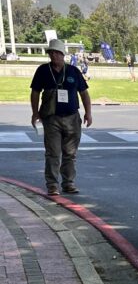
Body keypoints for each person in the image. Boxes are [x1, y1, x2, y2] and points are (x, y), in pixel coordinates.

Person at [30, 39, 92, 196]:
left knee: (70, 153)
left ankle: (68, 182)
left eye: (56, 53)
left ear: (62, 54)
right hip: (51, 119)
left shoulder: (73, 71)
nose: (53, 56)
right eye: (51, 53)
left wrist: (88, 113)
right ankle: (52, 184)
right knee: (53, 152)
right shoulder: (43, 70)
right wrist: (35, 112)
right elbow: (35, 92)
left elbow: (84, 93)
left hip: (72, 118)